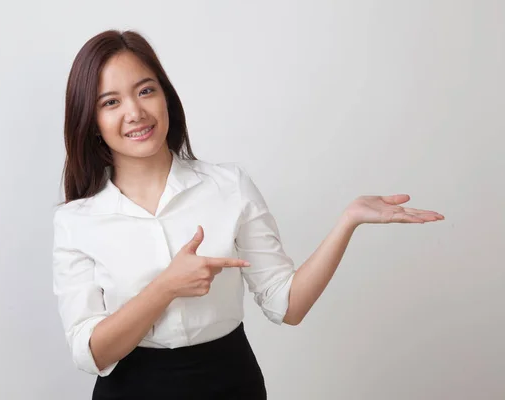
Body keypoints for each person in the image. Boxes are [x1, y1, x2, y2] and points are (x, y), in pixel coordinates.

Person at [52, 29, 445, 399]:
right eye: (111, 102)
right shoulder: (78, 221)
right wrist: (166, 287)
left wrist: (348, 221)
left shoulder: (229, 186)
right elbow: (91, 354)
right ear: (92, 121)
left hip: (229, 383)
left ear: (166, 97)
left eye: (146, 90)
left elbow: (287, 306)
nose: (135, 111)